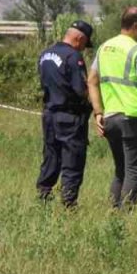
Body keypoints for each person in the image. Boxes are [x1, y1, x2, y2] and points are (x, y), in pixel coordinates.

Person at [88, 7, 137, 209]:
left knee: (120, 170)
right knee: (134, 170)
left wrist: (98, 112)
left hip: (110, 117)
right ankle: (125, 216)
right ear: (136, 25)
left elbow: (91, 81)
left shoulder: (104, 48)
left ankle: (114, 214)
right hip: (133, 118)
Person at [36, 20, 94, 207]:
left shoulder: (45, 54)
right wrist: (94, 100)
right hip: (70, 118)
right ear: (79, 38)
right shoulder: (73, 57)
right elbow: (81, 90)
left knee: (51, 157)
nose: (84, 49)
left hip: (49, 114)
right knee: (73, 159)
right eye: (85, 44)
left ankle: (43, 196)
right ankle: (69, 204)